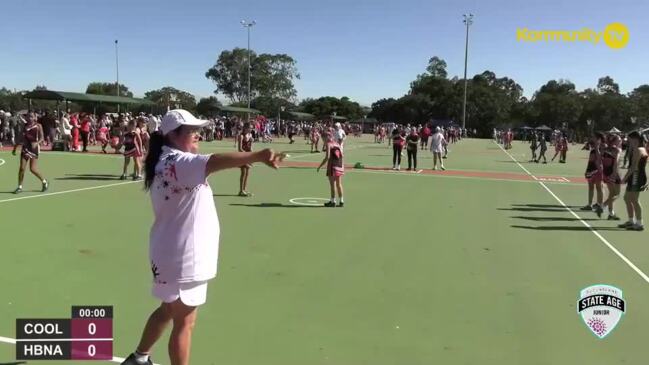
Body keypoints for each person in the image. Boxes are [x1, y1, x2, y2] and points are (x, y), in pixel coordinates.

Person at [119, 109, 283, 365]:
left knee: (167, 310)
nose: (198, 135)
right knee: (185, 321)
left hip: (170, 251)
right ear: (173, 135)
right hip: (185, 255)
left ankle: (139, 357)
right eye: (192, 131)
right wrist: (258, 155)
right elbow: (214, 161)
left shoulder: (165, 159)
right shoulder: (178, 162)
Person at [11, 112, 49, 194]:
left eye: (31, 116)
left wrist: (37, 143)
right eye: (28, 116)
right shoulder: (24, 126)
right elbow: (20, 137)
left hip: (34, 149)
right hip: (25, 148)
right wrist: (15, 147)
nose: (29, 118)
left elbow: (42, 138)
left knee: (32, 169)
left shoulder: (38, 126)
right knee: (22, 168)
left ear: (35, 117)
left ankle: (44, 181)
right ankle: (19, 187)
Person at [618, 131, 647, 231]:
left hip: (636, 176)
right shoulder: (639, 148)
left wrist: (624, 179)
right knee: (627, 198)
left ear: (635, 139)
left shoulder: (638, 150)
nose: (628, 141)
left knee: (634, 200)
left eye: (630, 139)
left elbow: (633, 167)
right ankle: (631, 221)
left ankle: (639, 224)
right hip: (637, 176)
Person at [581, 133, 605, 217]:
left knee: (599, 187)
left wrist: (597, 147)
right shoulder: (593, 146)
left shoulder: (602, 146)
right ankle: (589, 204)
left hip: (597, 169)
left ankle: (600, 205)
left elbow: (600, 158)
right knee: (590, 186)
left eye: (594, 137)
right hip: (591, 168)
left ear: (598, 138)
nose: (592, 138)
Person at [317, 136, 344, 207]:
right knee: (339, 184)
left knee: (333, 185)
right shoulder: (337, 144)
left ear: (326, 138)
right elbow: (342, 155)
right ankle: (341, 201)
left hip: (333, 166)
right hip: (340, 165)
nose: (323, 141)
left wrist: (320, 165)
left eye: (323, 139)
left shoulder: (329, 144)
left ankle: (333, 201)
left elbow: (327, 157)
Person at [602, 134, 622, 220]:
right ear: (615, 141)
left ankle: (611, 213)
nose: (621, 141)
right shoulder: (617, 150)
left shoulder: (605, 149)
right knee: (617, 194)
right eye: (619, 140)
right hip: (614, 173)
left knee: (611, 193)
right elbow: (616, 162)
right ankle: (602, 206)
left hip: (605, 173)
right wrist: (614, 174)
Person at [237, 123, 254, 197]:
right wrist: (246, 155)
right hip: (243, 156)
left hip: (248, 156)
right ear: (245, 128)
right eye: (250, 128)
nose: (251, 129)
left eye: (252, 128)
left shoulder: (250, 135)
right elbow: (240, 149)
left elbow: (250, 147)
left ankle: (244, 190)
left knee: (247, 173)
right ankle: (241, 190)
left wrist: (252, 155)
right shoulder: (241, 136)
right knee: (243, 173)